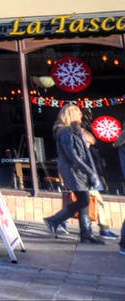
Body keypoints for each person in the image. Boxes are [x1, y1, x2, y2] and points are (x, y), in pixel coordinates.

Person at [43, 104, 103, 244]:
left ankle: (86, 234)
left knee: (84, 201)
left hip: (78, 171)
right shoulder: (64, 132)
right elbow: (72, 155)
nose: (81, 115)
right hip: (74, 171)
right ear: (72, 114)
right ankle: (54, 220)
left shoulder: (73, 131)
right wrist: (89, 171)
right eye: (78, 113)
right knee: (84, 200)